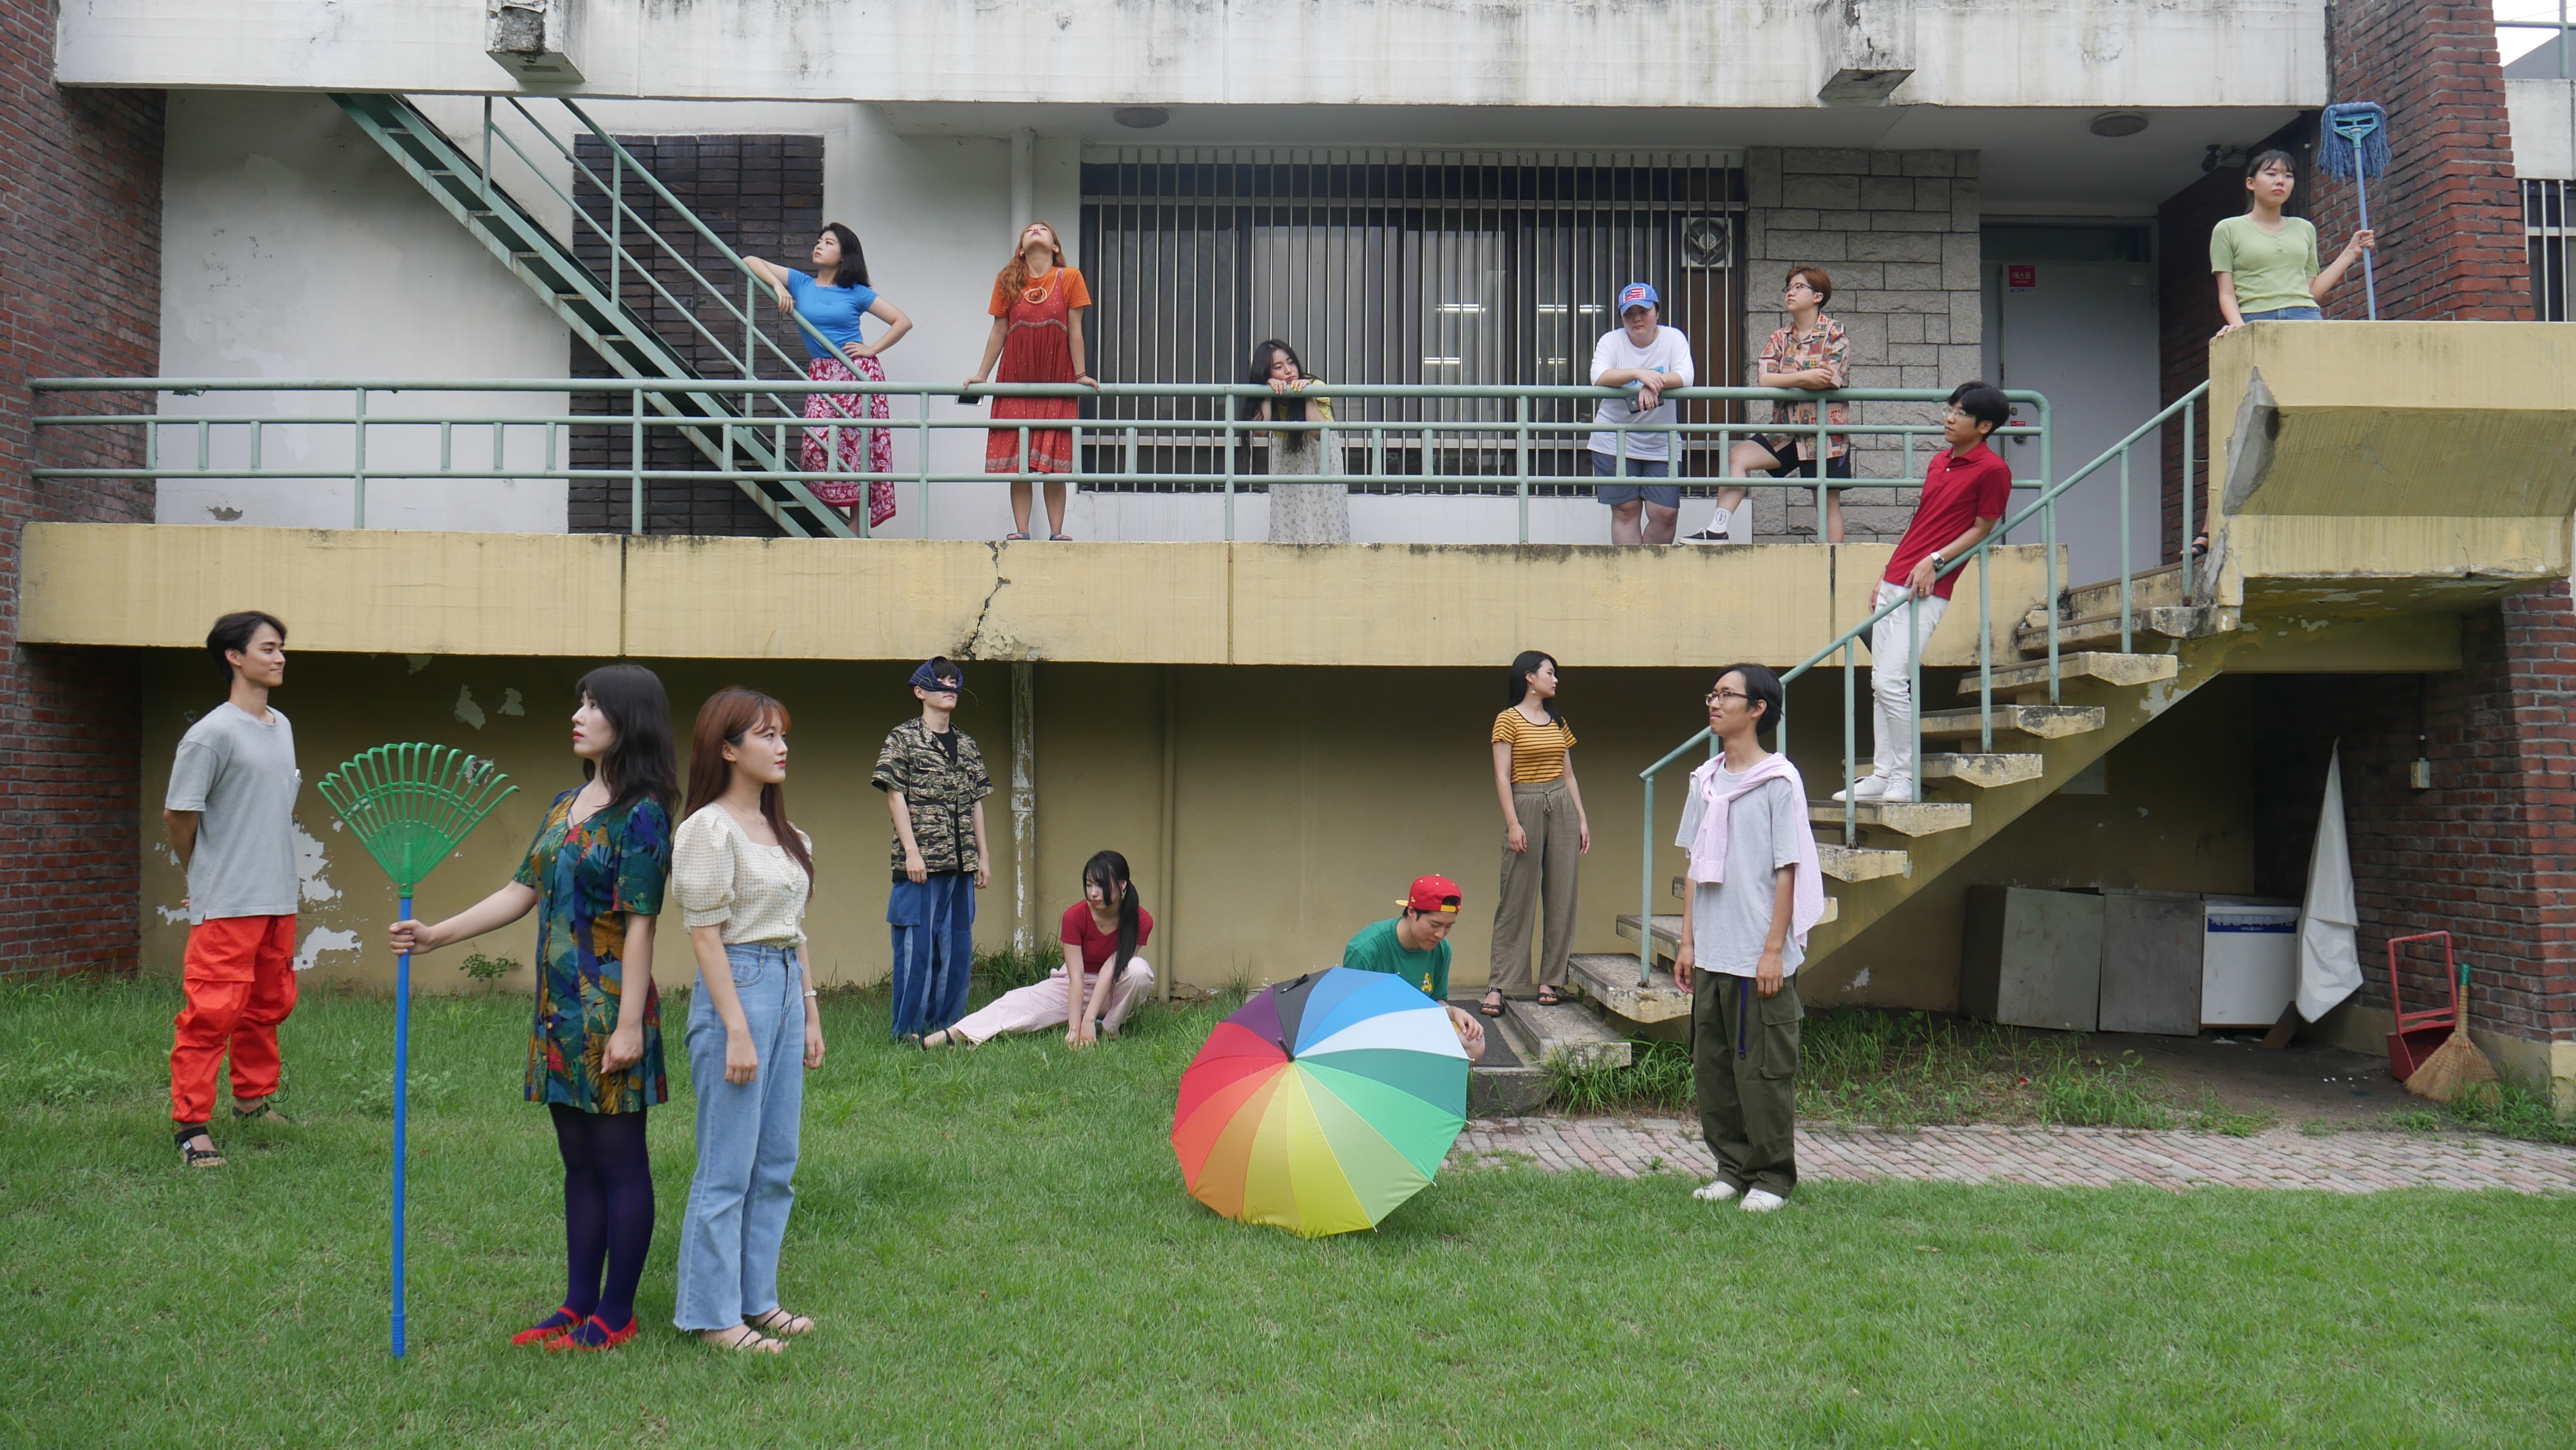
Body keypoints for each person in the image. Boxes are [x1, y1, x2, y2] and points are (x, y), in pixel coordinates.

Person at [388, 664, 677, 1352]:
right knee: (577, 1161)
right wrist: (435, 935)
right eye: (579, 702)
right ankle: (577, 1303)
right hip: (557, 1013)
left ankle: (617, 1311)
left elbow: (642, 924)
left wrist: (629, 1026)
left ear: (628, 720)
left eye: (593, 704)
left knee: (619, 1161)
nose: (577, 715)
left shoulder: (642, 812)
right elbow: (520, 891)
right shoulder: (562, 805)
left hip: (608, 1011)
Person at [670, 688, 824, 1355]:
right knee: (727, 1163)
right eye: (766, 735)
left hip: (784, 984)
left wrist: (810, 1011)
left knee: (776, 1160)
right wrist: (735, 1027)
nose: (782, 747)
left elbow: (795, 930)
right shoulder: (707, 829)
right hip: (738, 985)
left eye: (783, 734)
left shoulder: (787, 834)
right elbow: (705, 936)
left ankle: (758, 1298)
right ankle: (713, 1315)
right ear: (727, 748)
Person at [1671, 664, 1825, 1213]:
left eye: (1727, 695)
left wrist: (1772, 950)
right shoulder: (1704, 782)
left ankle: (1772, 1178)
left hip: (1758, 952)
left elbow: (1788, 868)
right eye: (1712, 694)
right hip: (1712, 950)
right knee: (1712, 1069)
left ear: (1757, 708)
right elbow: (1695, 864)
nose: (1714, 703)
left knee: (1762, 1072)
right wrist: (1687, 942)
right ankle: (1731, 1169)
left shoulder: (1779, 781)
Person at [164, 610, 300, 1170]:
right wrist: (200, 875)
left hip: (278, 896)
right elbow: (179, 814)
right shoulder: (211, 734)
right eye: (268, 648)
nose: (280, 657)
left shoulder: (281, 725)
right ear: (234, 657)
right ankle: (191, 1125)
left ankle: (252, 1101)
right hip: (229, 903)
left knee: (266, 1006)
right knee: (212, 1013)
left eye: (282, 647)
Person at [1837, 383, 2013, 805]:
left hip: (1929, 586)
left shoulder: (1993, 470)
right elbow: (1922, 522)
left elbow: (1983, 528)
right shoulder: (1940, 461)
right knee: (1880, 683)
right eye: (1950, 409)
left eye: (1961, 413)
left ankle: (1904, 777)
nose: (1949, 418)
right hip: (1897, 578)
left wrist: (1936, 560)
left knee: (1891, 682)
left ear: (1985, 426)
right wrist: (1887, 572)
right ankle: (1882, 774)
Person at [745, 223, 914, 533]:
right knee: (816, 443)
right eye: (819, 241)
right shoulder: (800, 282)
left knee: (859, 447)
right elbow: (750, 261)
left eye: (829, 243)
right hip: (822, 374)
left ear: (844, 255)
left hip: (857, 373)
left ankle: (856, 522)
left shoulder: (856, 292)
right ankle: (826, 509)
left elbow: (902, 321)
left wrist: (872, 349)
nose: (820, 246)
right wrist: (778, 286)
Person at [922, 850, 1155, 1049]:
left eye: (1101, 885)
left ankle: (1110, 1030)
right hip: (1075, 985)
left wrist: (1088, 1020)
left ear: (1122, 885)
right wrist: (1075, 1029)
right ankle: (951, 1035)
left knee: (1138, 971)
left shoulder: (1141, 920)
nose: (1093, 893)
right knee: (1017, 1002)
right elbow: (1076, 977)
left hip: (1113, 990)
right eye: (1089, 885)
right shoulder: (1075, 916)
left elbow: (1111, 970)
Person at [873, 657, 992, 1042]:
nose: (950, 688)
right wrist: (912, 852)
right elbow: (895, 796)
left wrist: (983, 858)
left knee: (957, 951)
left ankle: (944, 1030)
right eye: (941, 681)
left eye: (954, 682)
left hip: (962, 864)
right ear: (920, 691)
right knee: (917, 951)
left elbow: (976, 802)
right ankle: (907, 1032)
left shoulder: (967, 745)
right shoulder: (903, 738)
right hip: (921, 865)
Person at [1689, 266, 1852, 544]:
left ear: (1818, 296)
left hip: (1824, 434)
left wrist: (1787, 378)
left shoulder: (1834, 332)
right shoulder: (1780, 336)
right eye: (1788, 287)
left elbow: (1829, 379)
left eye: (1799, 287)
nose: (1790, 292)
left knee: (1826, 501)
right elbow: (1765, 379)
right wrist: (1806, 377)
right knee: (1738, 456)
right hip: (1785, 430)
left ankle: (1831, 561)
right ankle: (1717, 530)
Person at [963, 221, 1098, 541]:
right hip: (1015, 378)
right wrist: (982, 374)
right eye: (1030, 229)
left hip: (1058, 379)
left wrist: (1080, 375)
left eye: (1043, 229)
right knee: (1019, 461)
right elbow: (999, 330)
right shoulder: (1007, 279)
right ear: (1021, 249)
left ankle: (1057, 533)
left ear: (1056, 247)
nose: (1036, 230)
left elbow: (1075, 329)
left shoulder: (1071, 277)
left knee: (1055, 463)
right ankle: (1022, 531)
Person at [1483, 650, 1589, 1020]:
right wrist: (1514, 823)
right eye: (1549, 673)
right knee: (1516, 897)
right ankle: (1500, 984)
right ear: (1529, 677)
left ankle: (1551, 981)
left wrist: (1581, 819)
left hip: (1561, 804)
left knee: (1562, 895)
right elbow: (1502, 775)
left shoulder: (1558, 721)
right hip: (1525, 803)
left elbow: (1569, 774)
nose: (1555, 680)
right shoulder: (1507, 719)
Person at [2211, 149, 2376, 335]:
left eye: (2288, 176)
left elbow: (2311, 291)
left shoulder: (2304, 228)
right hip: (2255, 318)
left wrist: (2351, 252)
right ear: (2251, 183)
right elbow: (2226, 293)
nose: (2280, 181)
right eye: (2271, 174)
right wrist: (2240, 329)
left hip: (2306, 316)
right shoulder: (2228, 229)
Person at [1588, 282, 1695, 545]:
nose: (1637, 318)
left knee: (1665, 513)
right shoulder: (1611, 340)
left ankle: (1650, 569)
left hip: (1661, 440)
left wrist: (1654, 383)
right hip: (1614, 438)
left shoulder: (1673, 337)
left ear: (1657, 312)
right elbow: (1599, 376)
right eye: (1629, 313)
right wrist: (1639, 374)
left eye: (1643, 311)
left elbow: (1686, 375)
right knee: (1626, 511)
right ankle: (1630, 570)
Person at [1339, 875, 1486, 1059]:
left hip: (1416, 1027)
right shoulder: (1366, 949)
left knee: (1473, 1043)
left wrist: (1453, 1011)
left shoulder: (1442, 949)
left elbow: (1436, 1000)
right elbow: (1352, 1015)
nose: (1440, 934)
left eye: (1449, 926)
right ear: (1411, 912)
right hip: (1373, 1030)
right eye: (1434, 925)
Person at [1245, 339, 1349, 544]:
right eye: (1278, 367)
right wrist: (1266, 392)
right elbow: (1260, 431)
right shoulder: (1267, 392)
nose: (1288, 370)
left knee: (1326, 519)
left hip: (1320, 457)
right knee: (1290, 519)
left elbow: (1319, 434)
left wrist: (1307, 396)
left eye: (1291, 362)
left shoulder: (1316, 386)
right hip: (1287, 459)